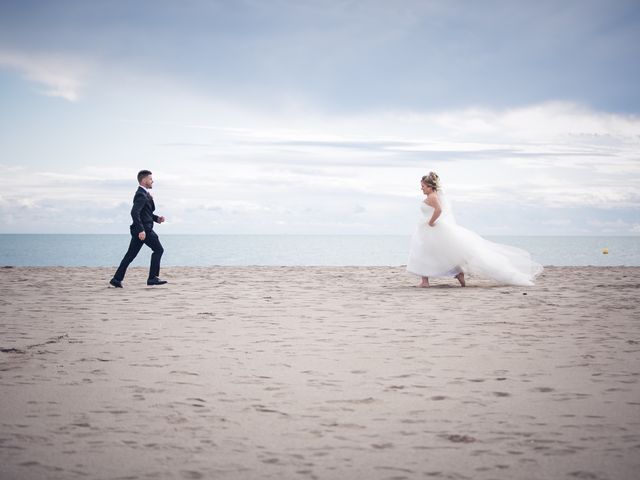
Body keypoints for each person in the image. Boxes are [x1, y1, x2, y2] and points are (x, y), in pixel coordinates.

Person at [407, 172, 542, 287]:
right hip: (429, 229)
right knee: (435, 252)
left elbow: (439, 210)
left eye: (423, 186)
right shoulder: (433, 195)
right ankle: (450, 274)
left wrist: (431, 221)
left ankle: (436, 278)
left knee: (427, 252)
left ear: (430, 187)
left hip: (432, 228)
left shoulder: (432, 197)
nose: (422, 189)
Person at [110, 170, 167, 288]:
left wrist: (157, 219)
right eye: (151, 179)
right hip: (144, 231)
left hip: (140, 230)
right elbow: (134, 212)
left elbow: (145, 214)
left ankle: (116, 279)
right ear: (144, 180)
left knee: (130, 255)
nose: (153, 181)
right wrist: (141, 230)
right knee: (158, 250)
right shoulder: (141, 194)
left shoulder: (144, 194)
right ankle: (152, 278)